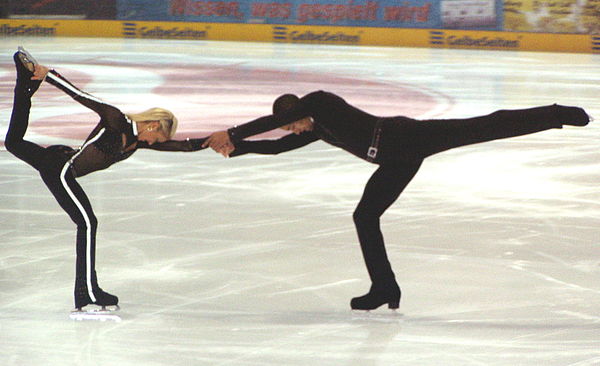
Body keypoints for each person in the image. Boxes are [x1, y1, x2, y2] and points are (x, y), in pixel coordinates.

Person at [202, 90, 591, 311]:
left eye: (293, 122)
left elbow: (275, 127)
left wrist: (232, 131)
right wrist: (237, 148)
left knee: (483, 127)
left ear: (297, 109)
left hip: (406, 138)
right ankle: (385, 287)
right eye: (292, 126)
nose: (294, 129)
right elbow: (278, 148)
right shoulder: (317, 129)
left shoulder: (320, 103)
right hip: (393, 162)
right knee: (364, 217)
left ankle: (555, 113)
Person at [4, 48, 207, 311]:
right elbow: (83, 96)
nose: (155, 143)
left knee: (13, 142)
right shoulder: (117, 121)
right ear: (153, 125)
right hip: (61, 168)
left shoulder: (135, 143)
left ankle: (23, 82)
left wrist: (225, 140)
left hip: (60, 162)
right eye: (157, 138)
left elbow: (183, 147)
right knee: (87, 223)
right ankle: (87, 292)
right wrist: (48, 75)